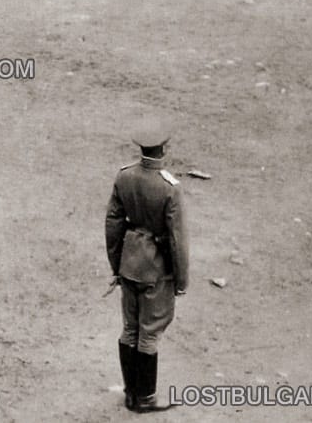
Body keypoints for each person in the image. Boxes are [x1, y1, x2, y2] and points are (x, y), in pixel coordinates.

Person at [105, 123, 188, 413]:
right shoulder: (169, 188)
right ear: (163, 149)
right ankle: (146, 398)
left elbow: (113, 225)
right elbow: (177, 240)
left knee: (130, 329)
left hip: (128, 264)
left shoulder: (124, 177)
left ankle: (130, 392)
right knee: (149, 333)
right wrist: (181, 279)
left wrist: (116, 265)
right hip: (156, 270)